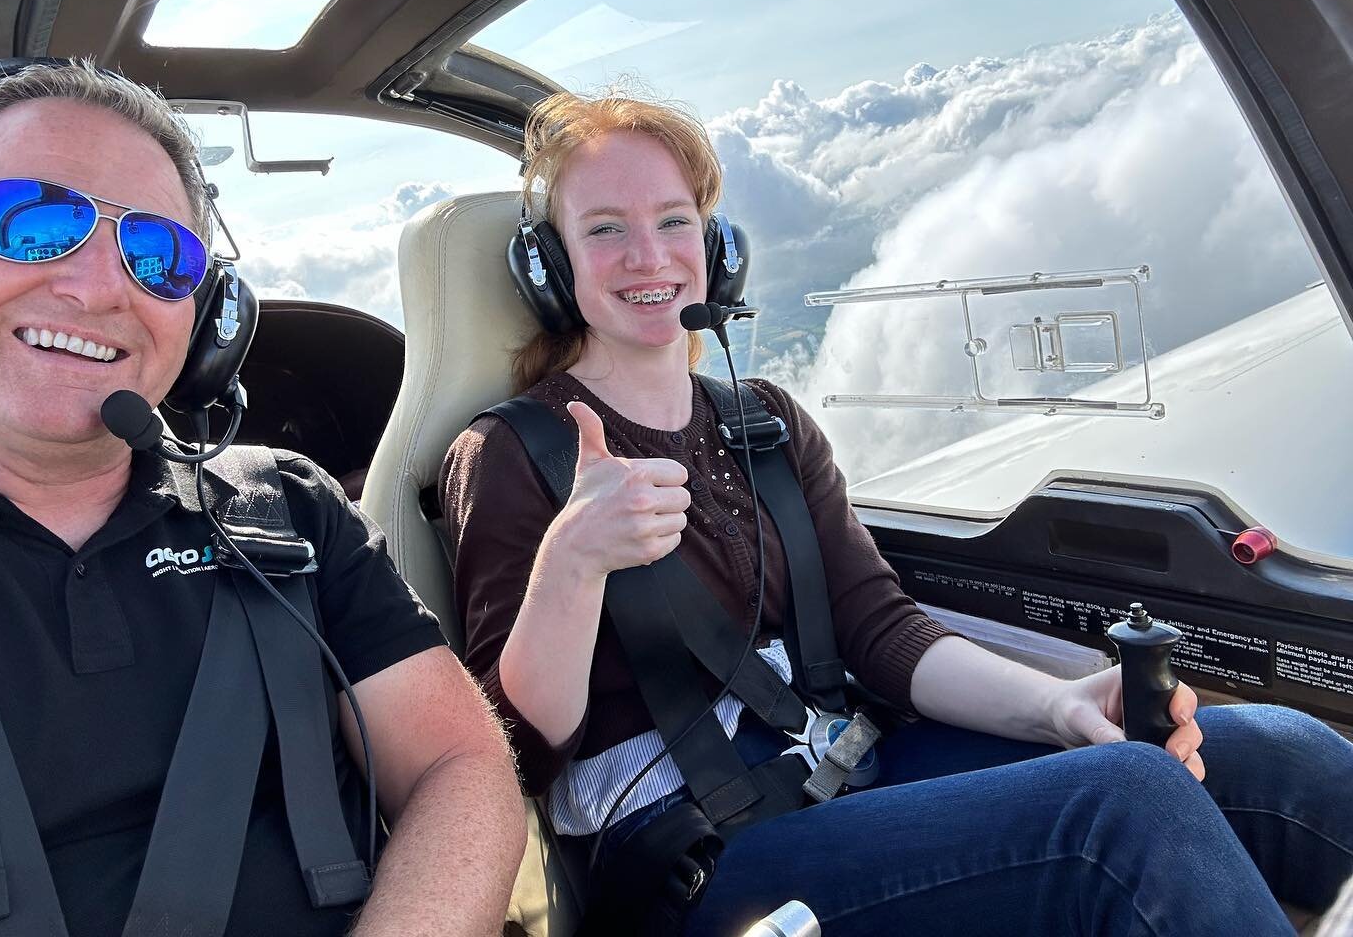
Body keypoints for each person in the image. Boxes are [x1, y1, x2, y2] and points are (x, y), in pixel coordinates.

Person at [440, 91, 1353, 936]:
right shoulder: (515, 455)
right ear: (552, 267)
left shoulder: (764, 424)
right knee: (1129, 802)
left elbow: (879, 631)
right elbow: (511, 753)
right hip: (691, 863)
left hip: (843, 769)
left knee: (1274, 747)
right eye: (605, 230)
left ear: (715, 246)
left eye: (674, 221)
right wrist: (573, 564)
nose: (649, 256)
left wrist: (1060, 709)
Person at [0, 61, 525, 937]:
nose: (97, 287)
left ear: (202, 322)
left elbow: (457, 762)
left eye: (159, 255)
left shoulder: (289, 508)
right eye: (36, 221)